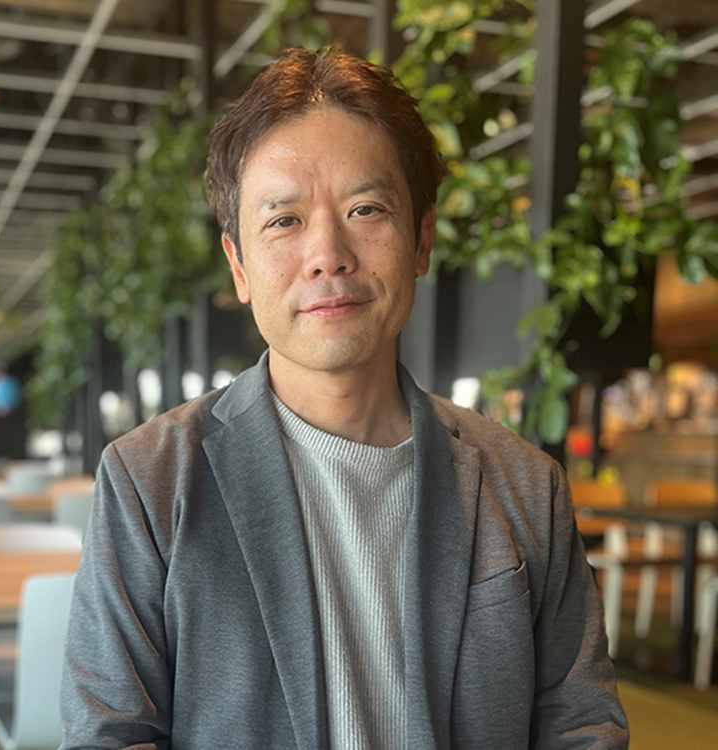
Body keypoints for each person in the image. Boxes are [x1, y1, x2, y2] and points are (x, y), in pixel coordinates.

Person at [60, 47, 629, 749]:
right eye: (283, 221)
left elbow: (582, 728)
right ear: (239, 265)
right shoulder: (149, 483)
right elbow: (111, 735)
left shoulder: (525, 486)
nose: (328, 253)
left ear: (421, 240)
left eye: (366, 209)